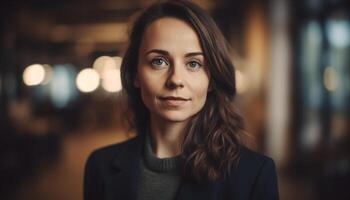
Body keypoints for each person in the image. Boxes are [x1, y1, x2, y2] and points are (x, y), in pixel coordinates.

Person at [83, 0, 279, 200]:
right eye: (158, 62)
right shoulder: (100, 166)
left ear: (211, 79)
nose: (176, 80)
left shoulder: (254, 173)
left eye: (193, 63)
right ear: (135, 75)